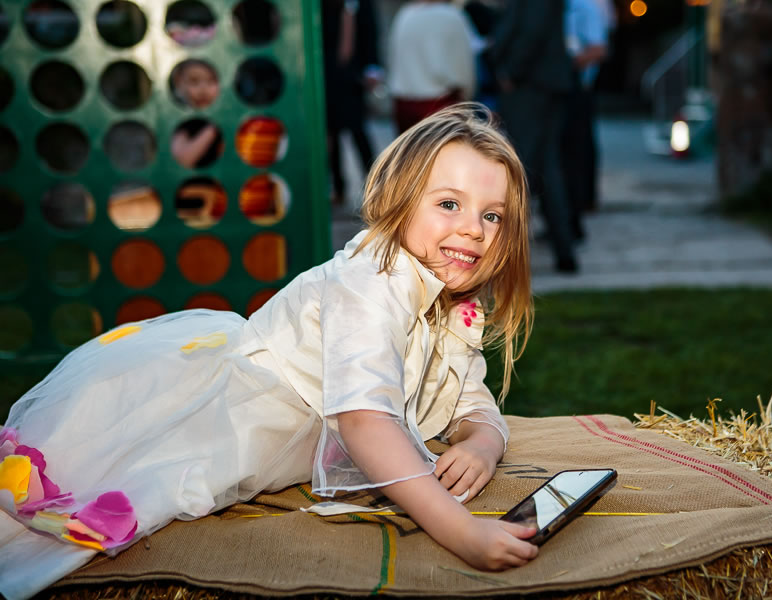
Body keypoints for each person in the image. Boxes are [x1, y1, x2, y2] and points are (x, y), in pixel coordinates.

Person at [0, 104, 538, 600]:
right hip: (216, 416)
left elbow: (473, 402)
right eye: (449, 204)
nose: (474, 228)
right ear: (399, 201)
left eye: (493, 216)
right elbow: (364, 421)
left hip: (266, 435)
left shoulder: (452, 306)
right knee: (73, 495)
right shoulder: (373, 282)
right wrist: (462, 531)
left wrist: (482, 444)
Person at [489, 0, 578, 273]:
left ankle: (510, 255)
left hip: (531, 84)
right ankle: (562, 249)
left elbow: (532, 30)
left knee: (521, 168)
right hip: (540, 82)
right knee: (544, 167)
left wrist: (510, 71)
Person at [321, 0, 381, 206]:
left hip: (353, 78)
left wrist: (373, 68)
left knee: (358, 131)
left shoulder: (363, 4)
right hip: (328, 76)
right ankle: (339, 188)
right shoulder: (323, 6)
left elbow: (370, 34)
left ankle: (375, 185)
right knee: (332, 133)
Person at [387, 0, 476, 133]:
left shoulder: (405, 14)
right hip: (440, 103)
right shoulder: (452, 16)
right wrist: (467, 95)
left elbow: (393, 58)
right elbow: (462, 64)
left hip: (403, 103)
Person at [562, 0, 610, 238]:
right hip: (564, 88)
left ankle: (581, 206)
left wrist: (566, 65)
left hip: (578, 89)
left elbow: (599, 50)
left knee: (578, 151)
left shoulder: (585, 8)